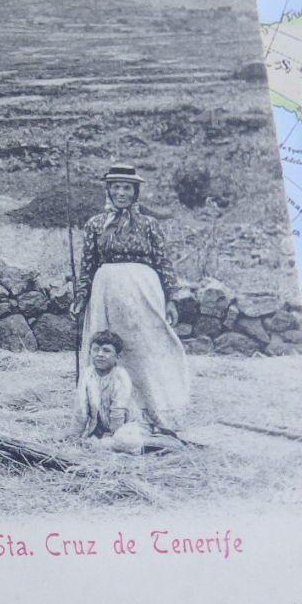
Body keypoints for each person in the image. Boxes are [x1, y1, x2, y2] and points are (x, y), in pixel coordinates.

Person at [73, 164, 191, 433]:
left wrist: (171, 298)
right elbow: (87, 266)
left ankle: (153, 412)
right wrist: (80, 298)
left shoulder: (149, 225)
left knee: (145, 349)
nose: (121, 193)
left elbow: (164, 263)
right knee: (107, 348)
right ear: (108, 190)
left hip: (143, 291)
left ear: (135, 191)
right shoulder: (95, 225)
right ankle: (106, 415)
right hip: (106, 291)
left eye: (127, 187)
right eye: (116, 187)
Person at [76, 330, 149, 453]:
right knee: (89, 441)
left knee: (123, 440)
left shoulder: (120, 375)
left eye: (106, 350)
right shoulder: (87, 374)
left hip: (127, 426)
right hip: (102, 429)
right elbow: (81, 408)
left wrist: (112, 435)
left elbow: (118, 411)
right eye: (96, 349)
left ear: (117, 356)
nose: (100, 354)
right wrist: (76, 434)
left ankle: (152, 443)